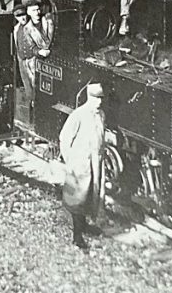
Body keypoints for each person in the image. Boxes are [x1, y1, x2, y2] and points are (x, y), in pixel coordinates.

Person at [59, 82, 106, 250]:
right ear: (88, 97)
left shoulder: (101, 115)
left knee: (90, 195)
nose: (99, 102)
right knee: (77, 200)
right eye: (96, 98)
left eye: (101, 98)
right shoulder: (78, 115)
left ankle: (85, 226)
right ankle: (77, 237)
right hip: (79, 164)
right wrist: (70, 160)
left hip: (94, 163)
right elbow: (64, 138)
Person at [12, 2, 51, 126]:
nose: (22, 18)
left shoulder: (33, 27)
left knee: (36, 88)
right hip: (22, 61)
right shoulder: (16, 29)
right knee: (28, 88)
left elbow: (42, 43)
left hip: (33, 61)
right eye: (19, 16)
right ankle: (30, 117)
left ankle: (37, 119)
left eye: (23, 15)